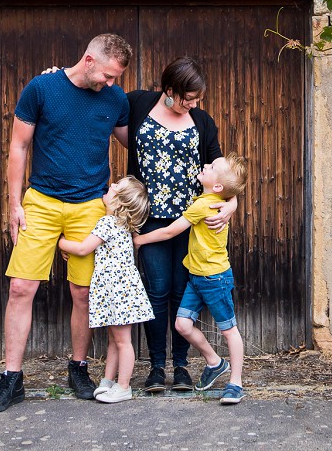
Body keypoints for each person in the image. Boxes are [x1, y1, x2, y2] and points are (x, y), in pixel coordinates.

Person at [0, 33, 133, 414]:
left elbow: (135, 142)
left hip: (90, 207)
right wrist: (14, 203)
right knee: (20, 288)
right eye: (109, 75)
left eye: (117, 79)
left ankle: (78, 367)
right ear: (88, 60)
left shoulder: (114, 99)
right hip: (42, 202)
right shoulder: (42, 87)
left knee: (82, 293)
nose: (112, 85)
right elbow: (18, 146)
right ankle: (11, 379)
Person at [126, 56, 237, 393]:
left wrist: (231, 203)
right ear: (170, 90)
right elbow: (97, 95)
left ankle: (182, 366)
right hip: (151, 221)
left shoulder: (202, 122)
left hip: (191, 224)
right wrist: (57, 75)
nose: (192, 104)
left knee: (181, 292)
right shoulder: (137, 104)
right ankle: (157, 368)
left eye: (197, 99)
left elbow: (224, 171)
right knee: (157, 292)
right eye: (188, 98)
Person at [134, 154, 249, 405]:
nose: (205, 165)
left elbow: (171, 231)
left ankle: (236, 383)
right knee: (182, 325)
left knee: (229, 330)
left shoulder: (203, 205)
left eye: (211, 167)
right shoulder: (212, 201)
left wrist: (139, 239)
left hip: (214, 277)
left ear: (217, 186)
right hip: (196, 277)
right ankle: (215, 362)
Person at [57, 176, 154, 404]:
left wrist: (59, 241)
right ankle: (108, 381)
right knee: (115, 340)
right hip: (120, 291)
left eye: (115, 188)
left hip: (116, 292)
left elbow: (82, 248)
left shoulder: (107, 223)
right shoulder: (124, 227)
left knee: (122, 342)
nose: (110, 186)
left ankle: (124, 386)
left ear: (118, 202)